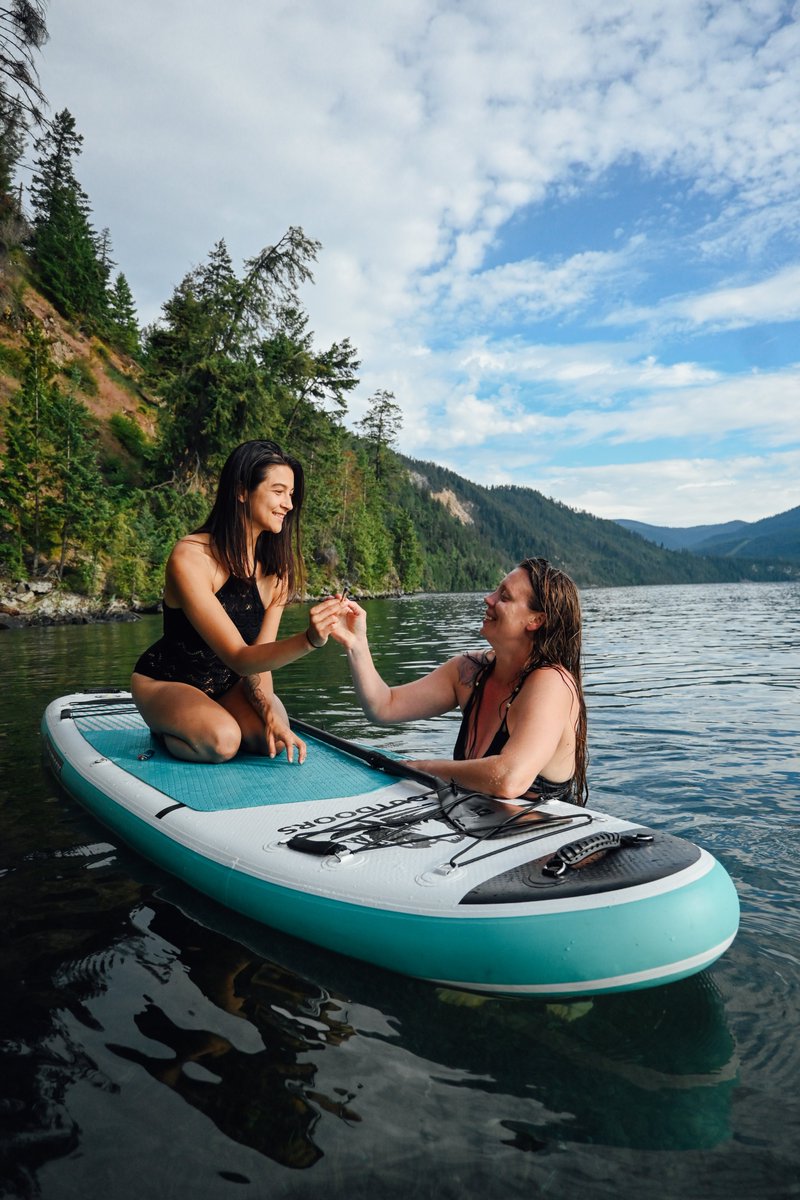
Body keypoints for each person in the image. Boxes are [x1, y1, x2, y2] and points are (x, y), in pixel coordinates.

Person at [131, 439, 344, 764]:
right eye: (278, 491)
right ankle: (167, 729)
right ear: (242, 491)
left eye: (291, 494)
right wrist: (310, 640)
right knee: (223, 742)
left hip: (229, 686)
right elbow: (239, 657)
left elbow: (260, 662)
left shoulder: (275, 574)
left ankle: (214, 718)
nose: (288, 504)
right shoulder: (191, 557)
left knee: (269, 738)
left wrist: (268, 711)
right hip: (167, 681)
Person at [331, 557, 588, 805]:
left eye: (504, 597)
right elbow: (383, 705)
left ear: (536, 620)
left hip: (546, 840)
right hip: (478, 828)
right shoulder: (470, 671)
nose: (488, 599)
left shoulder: (552, 683)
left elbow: (510, 779)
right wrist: (357, 644)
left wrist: (419, 768)